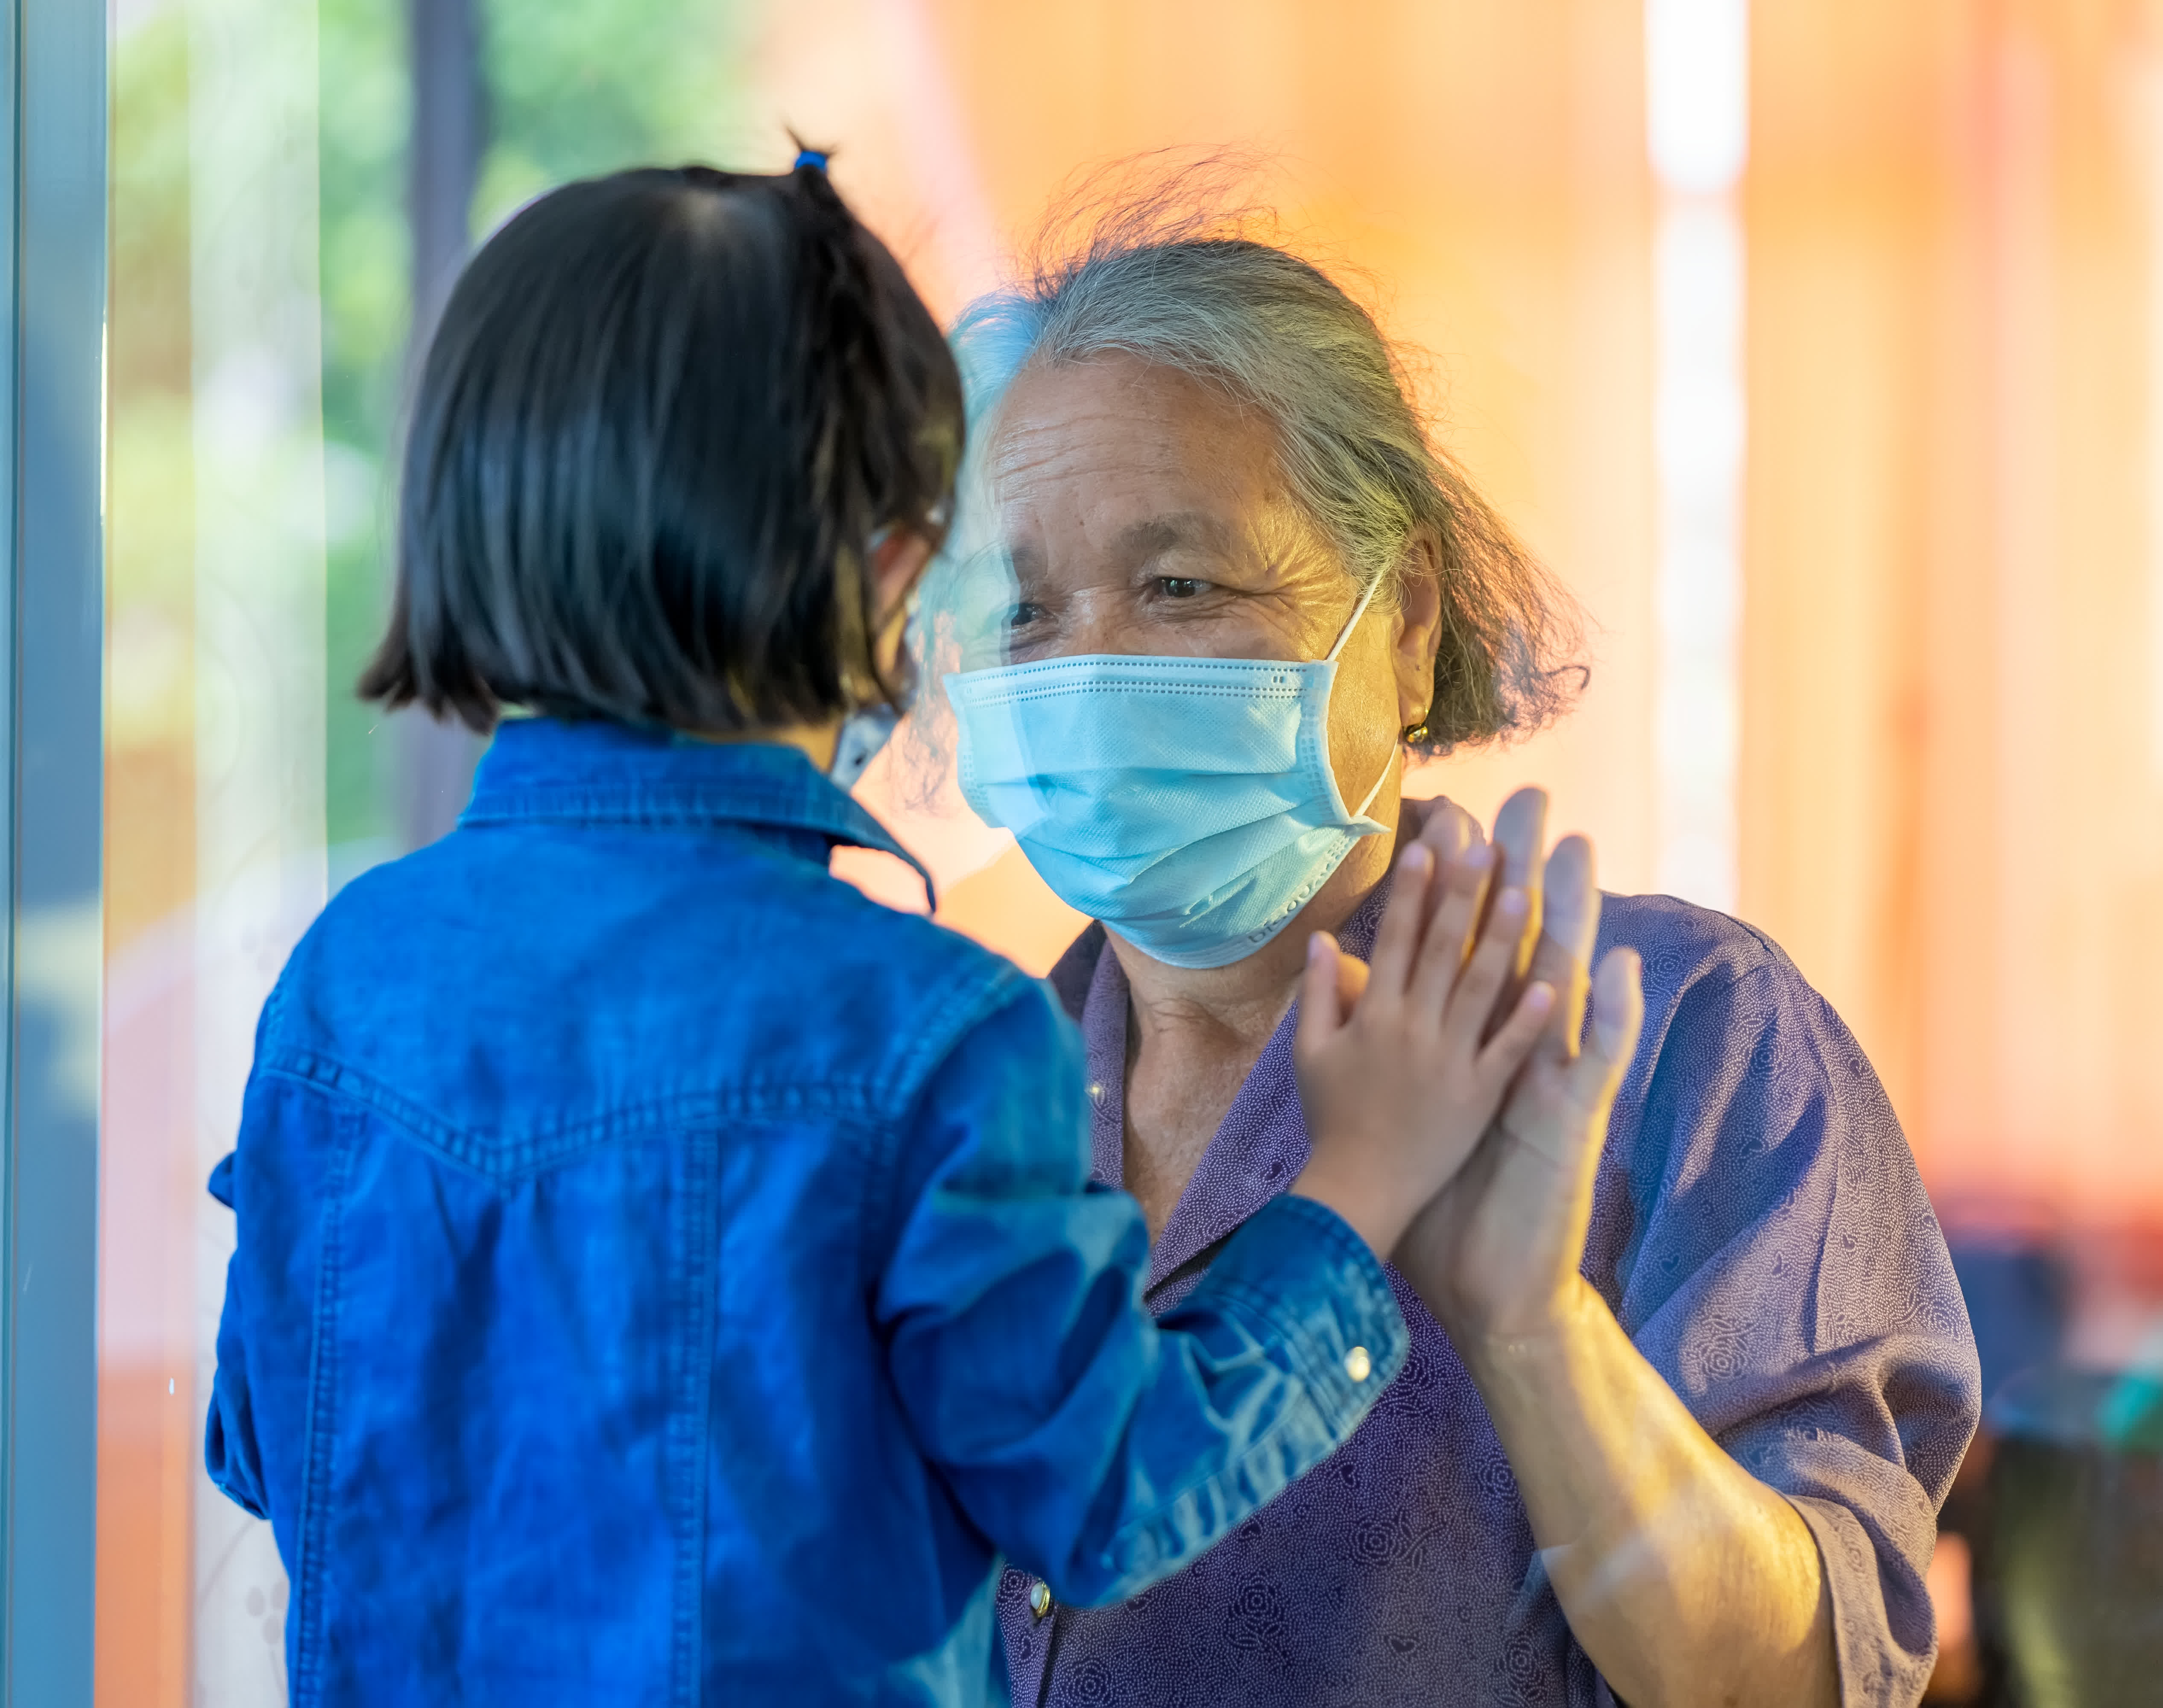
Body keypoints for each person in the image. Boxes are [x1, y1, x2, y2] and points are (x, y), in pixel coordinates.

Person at [199, 156, 1636, 1707]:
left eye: (1175, 583)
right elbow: (1106, 1495)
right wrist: (1357, 1184)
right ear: (892, 573)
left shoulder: (341, 983)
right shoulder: (924, 1035)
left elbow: (261, 1442)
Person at [934, 196, 1982, 1708]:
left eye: (1181, 585)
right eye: (1025, 612)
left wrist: (1536, 1333)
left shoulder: (1677, 1040)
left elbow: (1803, 1682)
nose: (1091, 668)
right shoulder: (956, 1099)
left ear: (1409, 622)